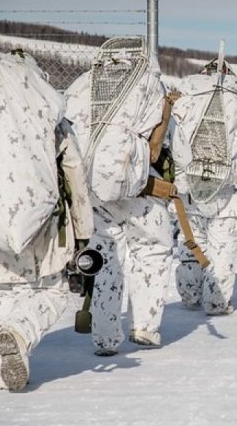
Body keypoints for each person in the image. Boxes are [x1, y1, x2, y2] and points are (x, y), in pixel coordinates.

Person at [0, 40, 93, 390]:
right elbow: (74, 172)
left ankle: (0, 373)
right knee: (53, 291)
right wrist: (84, 232)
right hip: (43, 227)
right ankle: (20, 334)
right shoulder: (48, 114)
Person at [65, 37, 173, 356]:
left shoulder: (82, 84)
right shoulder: (150, 84)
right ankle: (145, 326)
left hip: (90, 186)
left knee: (104, 254)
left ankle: (104, 335)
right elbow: (164, 138)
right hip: (140, 186)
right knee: (152, 248)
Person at [171, 59, 237, 315]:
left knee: (191, 241)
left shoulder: (183, 93)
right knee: (223, 249)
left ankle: (190, 294)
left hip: (187, 186)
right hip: (226, 189)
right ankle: (217, 301)